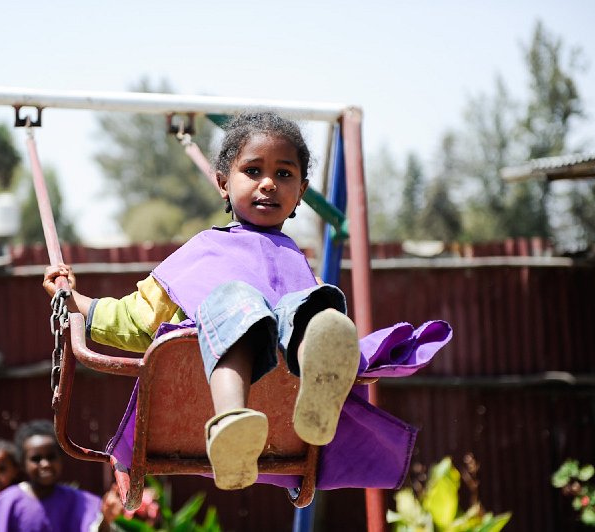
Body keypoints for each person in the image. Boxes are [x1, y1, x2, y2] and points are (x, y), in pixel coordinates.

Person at [43, 111, 450, 492]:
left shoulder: (300, 268)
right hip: (209, 405)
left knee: (314, 306)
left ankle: (319, 388)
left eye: (283, 173)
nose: (268, 183)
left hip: (284, 412)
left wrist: (340, 343)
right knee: (236, 301)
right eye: (253, 171)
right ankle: (231, 422)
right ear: (223, 182)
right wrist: (77, 302)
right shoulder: (204, 250)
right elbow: (137, 320)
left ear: (301, 192)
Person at [0, 419, 122, 532]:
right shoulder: (8, 502)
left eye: (51, 457)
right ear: (22, 464)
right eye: (36, 459)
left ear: (61, 459)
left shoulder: (80, 502)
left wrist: (106, 519)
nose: (45, 464)